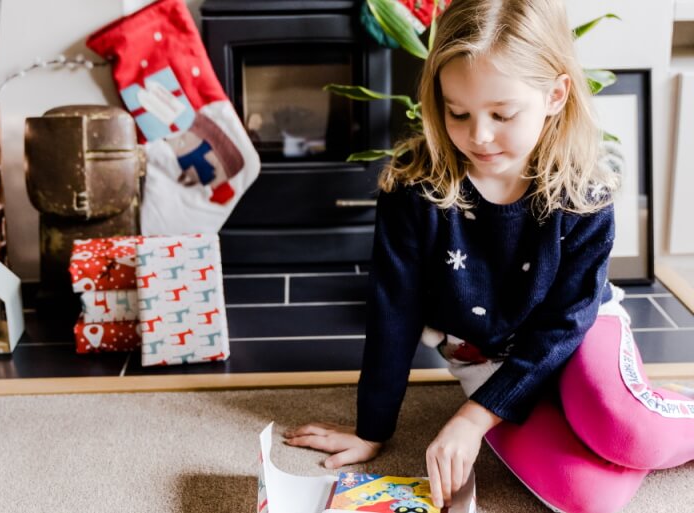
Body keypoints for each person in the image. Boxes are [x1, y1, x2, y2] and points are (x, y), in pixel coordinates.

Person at [283, 1, 694, 512]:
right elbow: (394, 313)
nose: (478, 135)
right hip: (488, 358)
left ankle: (660, 407)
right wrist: (373, 429)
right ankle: (581, 408)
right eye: (458, 112)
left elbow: (566, 322)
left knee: (630, 435)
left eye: (502, 114)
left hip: (577, 334)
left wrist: (473, 418)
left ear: (554, 95)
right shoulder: (414, 191)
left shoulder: (585, 192)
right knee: (590, 498)